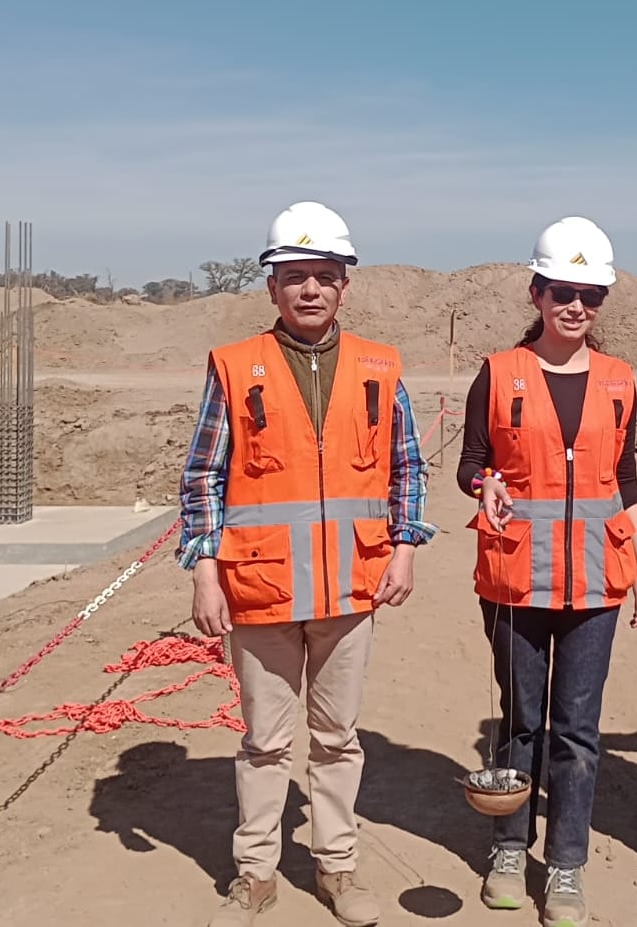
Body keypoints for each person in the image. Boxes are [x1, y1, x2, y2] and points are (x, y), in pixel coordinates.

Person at [177, 200, 437, 927]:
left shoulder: (378, 367)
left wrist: (406, 546)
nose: (311, 290)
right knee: (265, 741)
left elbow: (407, 466)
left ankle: (337, 866)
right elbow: (203, 474)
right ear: (272, 286)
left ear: (345, 284)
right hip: (257, 588)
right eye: (295, 277)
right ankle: (255, 874)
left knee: (336, 738)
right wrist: (204, 568)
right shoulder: (235, 367)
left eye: (324, 275)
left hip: (351, 587)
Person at [459, 216, 637, 927]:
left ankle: (566, 864)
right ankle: (510, 844)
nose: (577, 306)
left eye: (591, 295)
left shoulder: (618, 381)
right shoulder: (500, 371)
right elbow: (469, 462)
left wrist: (636, 565)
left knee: (577, 727)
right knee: (521, 722)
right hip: (514, 579)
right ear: (537, 293)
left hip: (597, 582)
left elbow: (624, 479)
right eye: (563, 291)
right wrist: (487, 485)